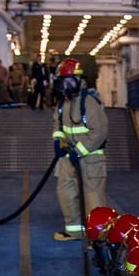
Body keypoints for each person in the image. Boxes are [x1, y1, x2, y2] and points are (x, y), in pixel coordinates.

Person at [52, 58, 108, 242]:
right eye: (63, 81)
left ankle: (99, 239)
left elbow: (99, 131)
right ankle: (75, 230)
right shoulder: (62, 104)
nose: (66, 85)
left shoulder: (89, 103)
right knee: (66, 192)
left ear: (79, 81)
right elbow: (57, 124)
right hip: (69, 158)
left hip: (90, 160)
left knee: (93, 198)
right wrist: (58, 141)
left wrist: (79, 150)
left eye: (70, 81)